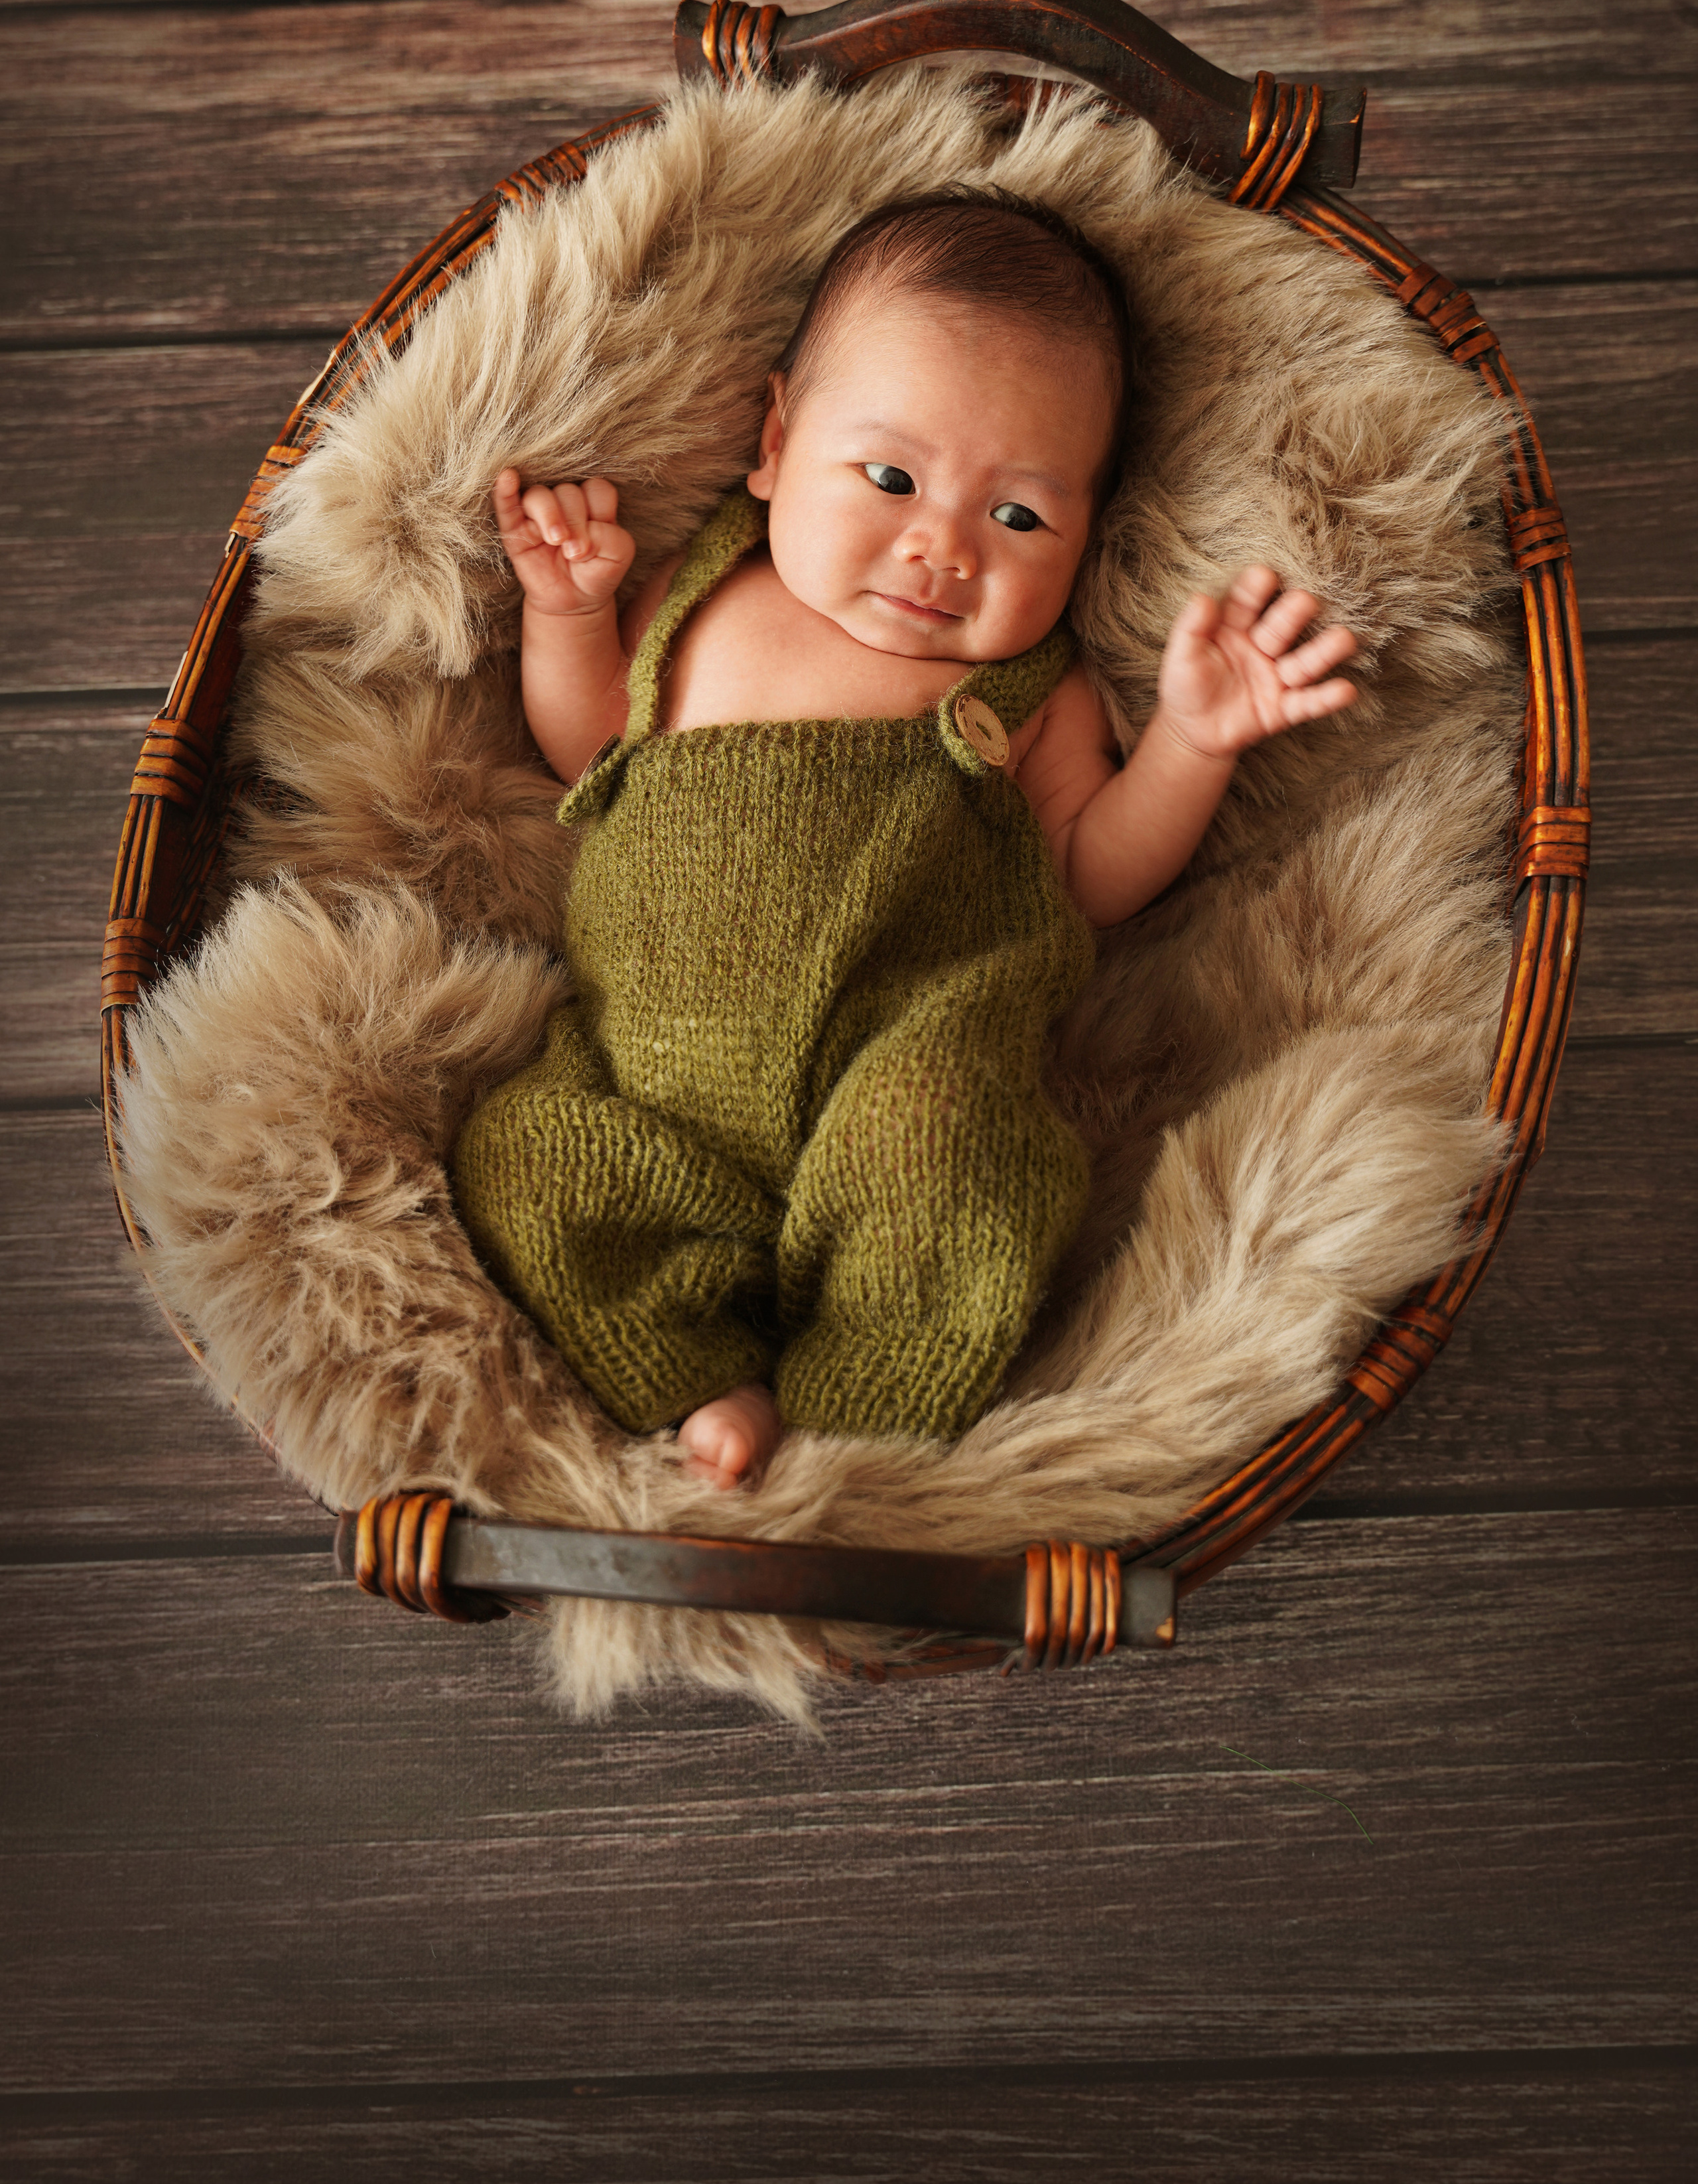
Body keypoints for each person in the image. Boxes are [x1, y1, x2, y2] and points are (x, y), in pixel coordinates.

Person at [451, 191, 1358, 1490]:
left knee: (963, 1155)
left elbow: (1089, 875)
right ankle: (702, 1375)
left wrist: (1192, 742)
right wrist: (568, 610)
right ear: (772, 442)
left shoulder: (1029, 694)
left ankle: (853, 1417)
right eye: (889, 478)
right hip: (645, 1092)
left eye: (1020, 518)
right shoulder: (695, 593)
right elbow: (588, 743)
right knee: (525, 1163)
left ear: (1087, 531)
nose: (939, 547)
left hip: (902, 1067)